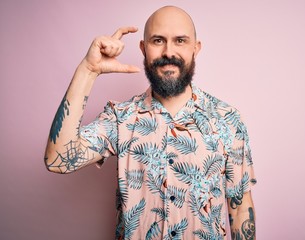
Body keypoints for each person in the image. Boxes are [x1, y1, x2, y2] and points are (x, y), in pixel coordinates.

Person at [44, 5, 257, 240]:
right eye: (158, 40)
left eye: (180, 41)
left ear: (196, 49)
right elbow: (58, 160)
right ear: (143, 48)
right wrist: (88, 70)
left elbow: (239, 209)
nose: (168, 52)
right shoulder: (120, 118)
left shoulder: (227, 120)